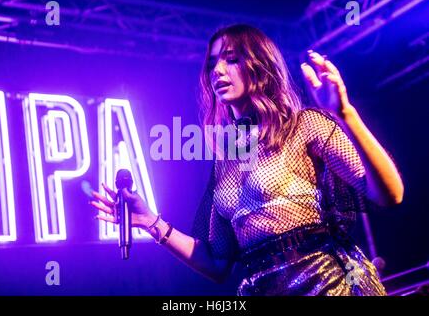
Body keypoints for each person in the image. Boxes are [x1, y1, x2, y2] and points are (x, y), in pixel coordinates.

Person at [90, 24, 404, 296]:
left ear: (259, 65)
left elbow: (390, 193)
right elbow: (217, 263)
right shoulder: (225, 158)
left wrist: (344, 112)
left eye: (231, 59)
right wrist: (150, 222)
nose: (217, 71)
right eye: (212, 63)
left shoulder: (304, 125)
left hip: (326, 284)